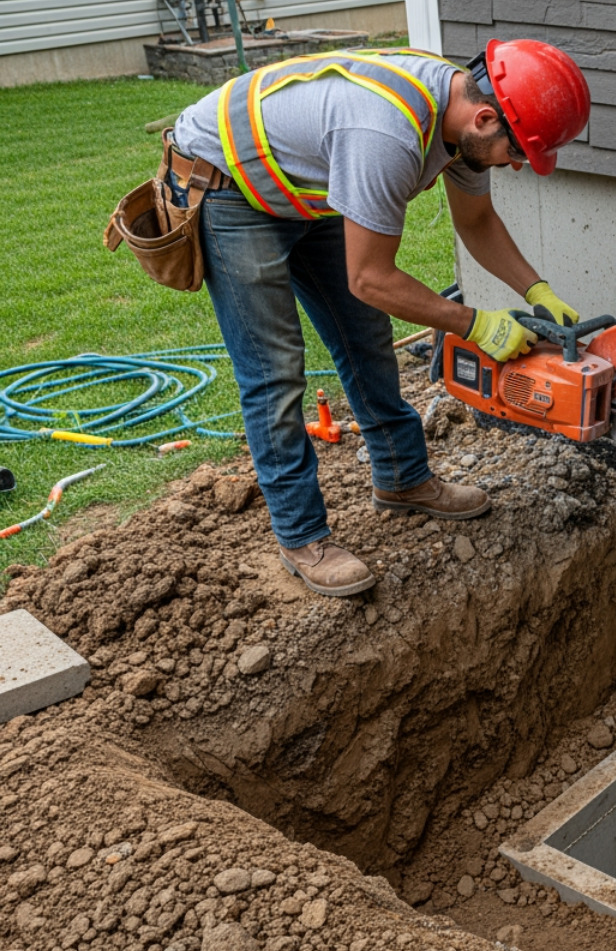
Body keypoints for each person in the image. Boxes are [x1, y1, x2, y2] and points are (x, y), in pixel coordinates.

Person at [163, 39, 590, 596]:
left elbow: (477, 219)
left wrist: (536, 288)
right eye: (517, 152)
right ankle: (301, 537)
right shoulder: (387, 135)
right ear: (486, 117)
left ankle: (403, 479)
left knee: (364, 332)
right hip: (227, 187)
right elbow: (371, 276)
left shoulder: (462, 123)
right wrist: (473, 323)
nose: (514, 164)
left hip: (307, 180)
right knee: (275, 372)